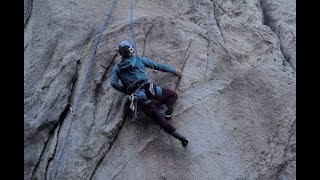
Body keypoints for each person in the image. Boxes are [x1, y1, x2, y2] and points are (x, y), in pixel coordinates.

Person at [110, 40, 189, 147]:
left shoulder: (117, 69)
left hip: (137, 96)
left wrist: (127, 91)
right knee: (172, 95)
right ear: (131, 50)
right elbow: (156, 65)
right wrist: (174, 70)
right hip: (149, 88)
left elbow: (113, 83)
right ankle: (166, 110)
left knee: (158, 119)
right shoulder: (138, 60)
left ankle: (181, 137)